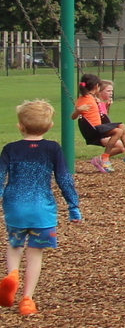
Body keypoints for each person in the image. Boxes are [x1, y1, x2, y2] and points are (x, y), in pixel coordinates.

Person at [0, 100, 83, 317]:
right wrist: (73, 206)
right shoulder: (53, 148)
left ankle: (12, 275)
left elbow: (0, 179)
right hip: (42, 210)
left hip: (15, 207)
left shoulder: (10, 149)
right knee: (35, 252)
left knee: (14, 244)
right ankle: (27, 300)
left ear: (20, 126)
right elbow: (64, 179)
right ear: (50, 125)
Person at [72, 74, 125, 172]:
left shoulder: (92, 98)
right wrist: (78, 110)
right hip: (93, 130)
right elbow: (73, 117)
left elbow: (102, 116)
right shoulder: (84, 99)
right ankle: (105, 158)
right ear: (96, 86)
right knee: (118, 131)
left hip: (99, 128)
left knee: (121, 127)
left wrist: (105, 106)